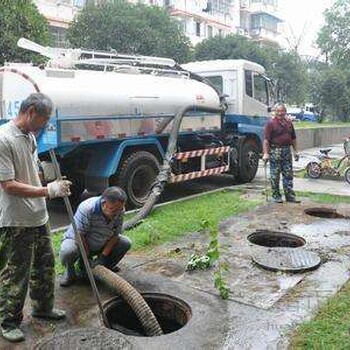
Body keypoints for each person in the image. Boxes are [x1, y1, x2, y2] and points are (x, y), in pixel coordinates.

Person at [0, 93, 72, 343]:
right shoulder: (3, 139)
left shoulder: (29, 136)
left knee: (44, 265)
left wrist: (49, 183)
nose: (44, 124)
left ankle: (42, 307)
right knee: (15, 272)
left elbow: (31, 172)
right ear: (31, 111)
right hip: (16, 219)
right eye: (44, 118)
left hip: (38, 214)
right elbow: (9, 185)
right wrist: (48, 190)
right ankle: (8, 321)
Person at [59, 186, 131, 287]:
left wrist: (102, 257)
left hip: (102, 241)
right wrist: (87, 257)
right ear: (104, 203)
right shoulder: (87, 208)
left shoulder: (119, 210)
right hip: (79, 241)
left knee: (125, 243)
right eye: (114, 210)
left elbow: (115, 236)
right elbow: (80, 235)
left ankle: (104, 268)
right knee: (67, 251)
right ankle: (70, 272)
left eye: (120, 209)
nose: (117, 213)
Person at [262, 102, 300, 203]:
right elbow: (266, 140)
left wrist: (296, 151)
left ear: (285, 112)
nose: (280, 113)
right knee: (275, 175)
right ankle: (276, 196)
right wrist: (266, 153)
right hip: (275, 151)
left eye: (282, 111)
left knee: (288, 174)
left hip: (287, 151)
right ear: (275, 112)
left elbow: (293, 138)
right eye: (278, 111)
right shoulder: (271, 123)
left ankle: (290, 196)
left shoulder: (289, 123)